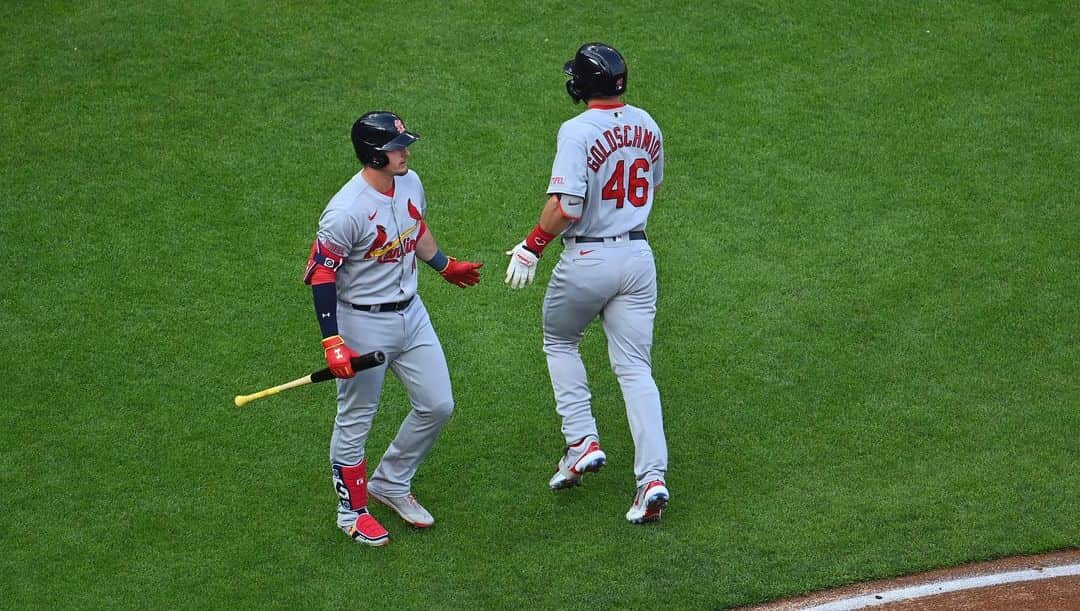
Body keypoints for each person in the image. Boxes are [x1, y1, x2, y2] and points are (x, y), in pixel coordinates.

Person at [505, 42, 669, 524]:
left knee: (560, 340)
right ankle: (652, 480)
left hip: (588, 258)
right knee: (636, 370)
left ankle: (581, 441)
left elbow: (566, 207)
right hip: (638, 257)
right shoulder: (649, 123)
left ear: (582, 84)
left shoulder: (576, 131)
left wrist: (532, 245)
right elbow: (654, 185)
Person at [304, 110, 483, 546]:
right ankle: (352, 511)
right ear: (373, 155)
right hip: (362, 322)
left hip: (412, 313)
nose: (404, 153)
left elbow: (413, 226)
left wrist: (444, 265)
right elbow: (321, 274)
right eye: (395, 148)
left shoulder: (410, 182)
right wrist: (333, 342)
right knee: (356, 418)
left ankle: (390, 481)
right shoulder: (345, 211)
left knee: (437, 404)